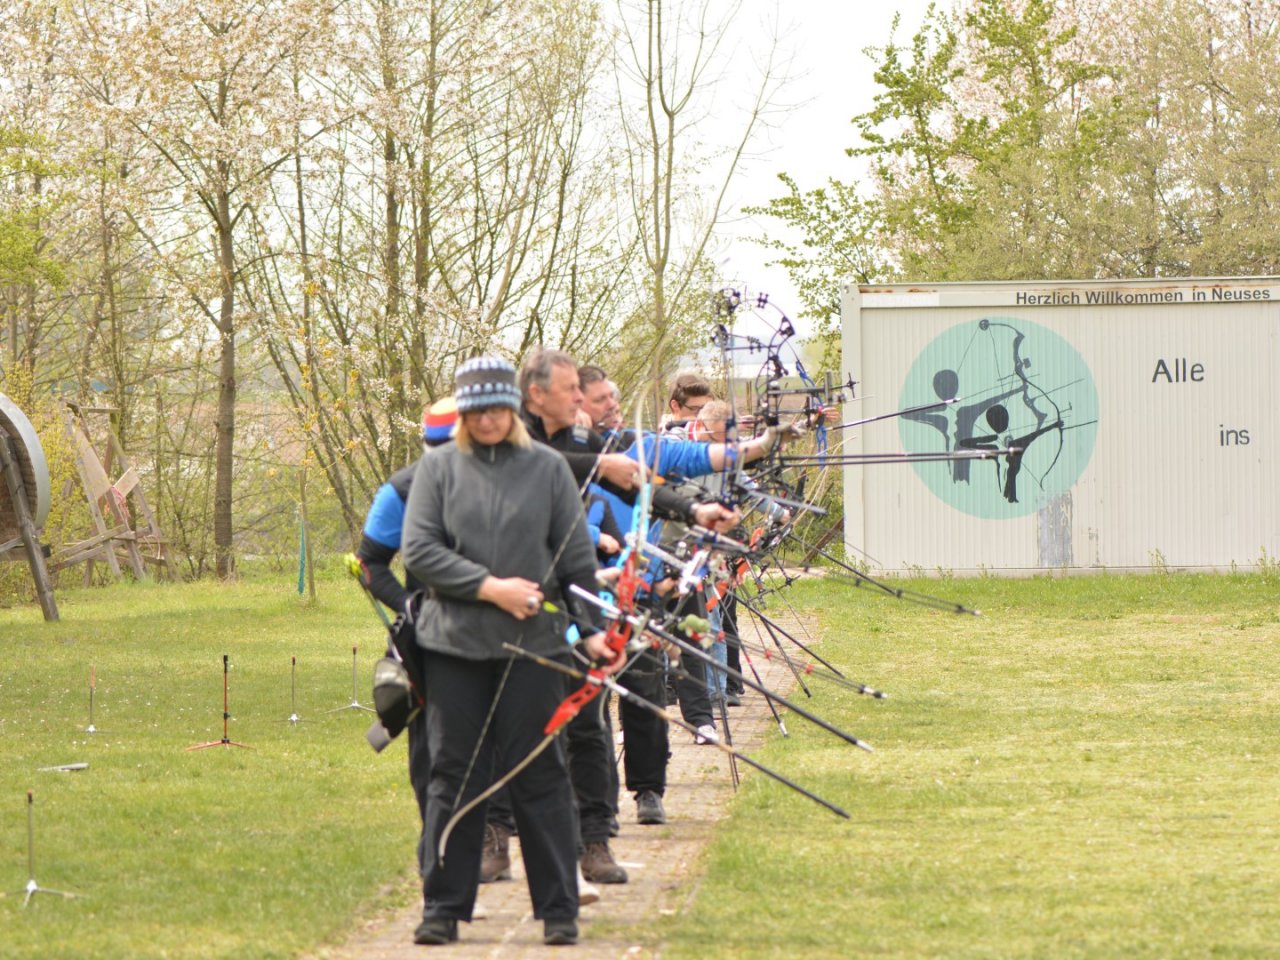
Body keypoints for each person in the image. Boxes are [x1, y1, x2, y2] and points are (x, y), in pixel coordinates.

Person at [401, 356, 615, 947]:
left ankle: (558, 910)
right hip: (453, 648)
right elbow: (418, 550)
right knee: (454, 773)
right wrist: (488, 587)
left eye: (497, 409)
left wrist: (592, 629)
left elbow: (576, 560)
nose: (488, 420)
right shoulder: (438, 469)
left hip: (533, 650)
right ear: (463, 414)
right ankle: (443, 907)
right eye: (476, 411)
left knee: (540, 774)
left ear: (514, 409)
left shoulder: (547, 470)